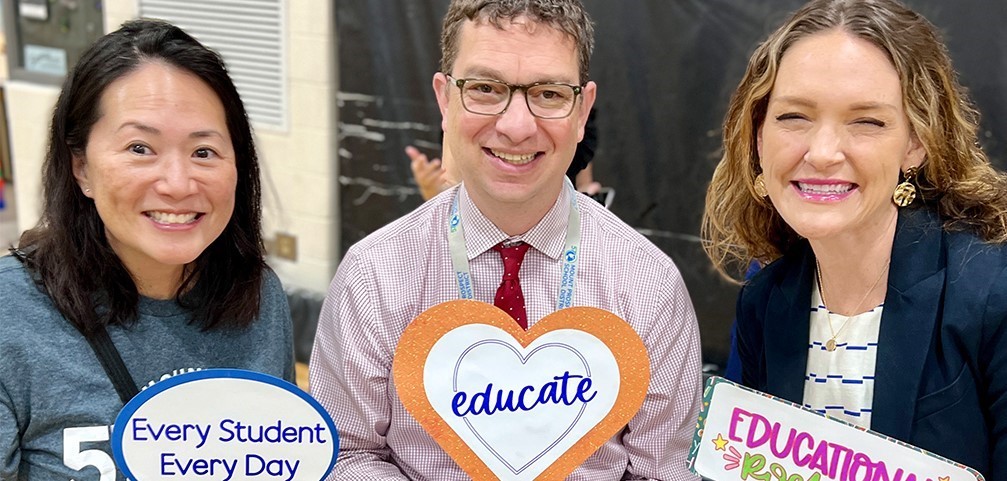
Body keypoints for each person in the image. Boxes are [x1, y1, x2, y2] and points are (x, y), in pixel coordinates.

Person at [310, 0, 703, 479]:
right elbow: (345, 453)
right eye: (485, 88)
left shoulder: (649, 285)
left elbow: (661, 469)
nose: (516, 126)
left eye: (550, 94)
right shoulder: (373, 274)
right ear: (444, 100)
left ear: (582, 110)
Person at [701, 0, 1006, 477]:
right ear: (758, 136)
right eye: (794, 117)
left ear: (916, 142)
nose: (822, 153)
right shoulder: (765, 301)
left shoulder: (993, 295)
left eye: (867, 121)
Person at [0, 19, 294, 480]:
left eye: (203, 152)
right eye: (140, 148)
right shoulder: (10, 316)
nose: (177, 184)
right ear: (81, 169)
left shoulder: (257, 296)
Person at [407, 107, 603, 201]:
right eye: (486, 89)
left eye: (548, 94)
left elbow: (583, 175)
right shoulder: (462, 118)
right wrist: (433, 192)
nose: (517, 130)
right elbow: (449, 186)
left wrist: (587, 195)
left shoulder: (573, 115)